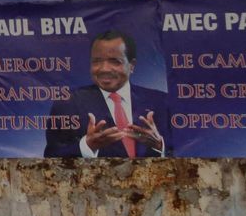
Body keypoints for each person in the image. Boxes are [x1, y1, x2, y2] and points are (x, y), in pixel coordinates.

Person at [44, 30, 170, 158]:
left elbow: (183, 151)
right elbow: (51, 158)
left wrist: (160, 145)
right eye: (97, 61)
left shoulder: (161, 102)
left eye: (115, 61)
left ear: (131, 66)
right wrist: (87, 146)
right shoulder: (68, 103)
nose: (104, 68)